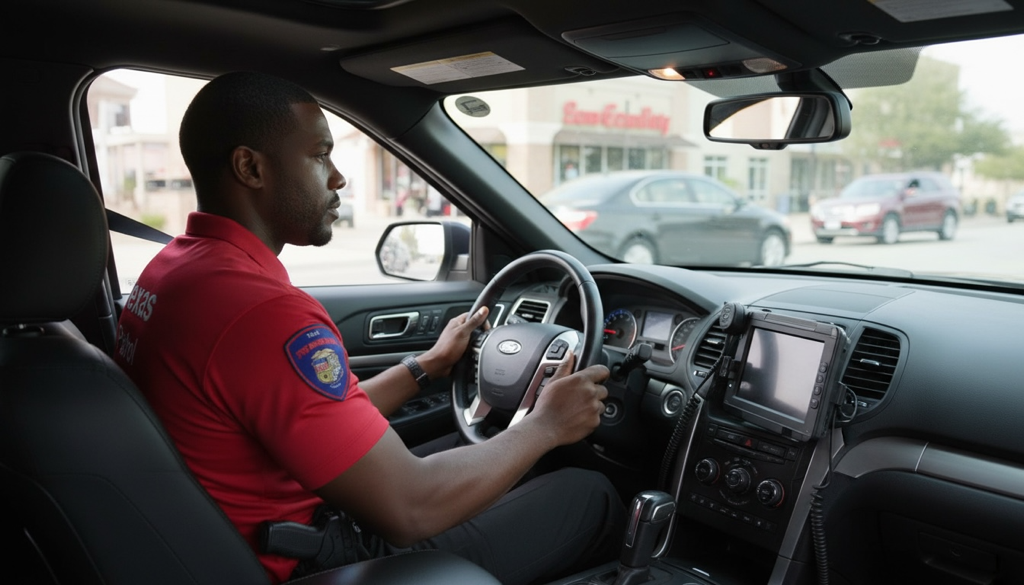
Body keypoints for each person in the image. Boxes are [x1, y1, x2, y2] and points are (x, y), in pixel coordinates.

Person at [113, 71, 625, 585]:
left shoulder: (174, 271)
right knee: (588, 493)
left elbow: (315, 415)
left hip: (242, 535)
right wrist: (546, 425)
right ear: (250, 168)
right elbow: (411, 508)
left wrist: (426, 366)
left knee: (509, 461)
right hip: (304, 559)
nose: (338, 178)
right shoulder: (261, 312)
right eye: (320, 155)